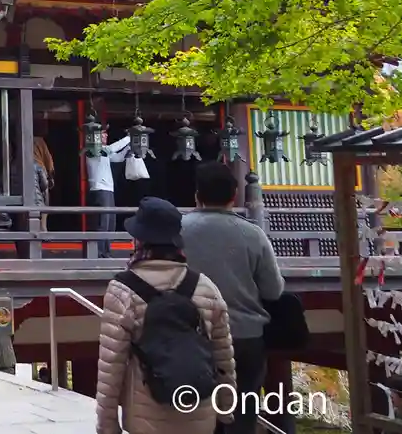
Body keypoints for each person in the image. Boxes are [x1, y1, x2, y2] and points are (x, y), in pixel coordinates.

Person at [96, 196, 236, 434]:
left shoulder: (122, 291)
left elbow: (111, 367)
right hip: (200, 415)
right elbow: (223, 357)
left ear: (138, 241)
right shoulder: (205, 287)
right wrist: (225, 409)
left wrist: (107, 426)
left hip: (146, 420)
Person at [181, 162, 285, 434]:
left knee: (196, 416)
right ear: (235, 195)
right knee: (243, 415)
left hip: (192, 336)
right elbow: (273, 290)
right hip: (245, 337)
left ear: (197, 195)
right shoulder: (253, 234)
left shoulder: (177, 232)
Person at [87, 129, 134, 256]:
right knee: (102, 223)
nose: (106, 135)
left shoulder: (104, 151)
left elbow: (118, 158)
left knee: (110, 223)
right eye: (103, 133)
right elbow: (111, 149)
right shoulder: (91, 150)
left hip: (108, 189)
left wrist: (129, 147)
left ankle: (106, 252)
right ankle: (98, 253)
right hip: (100, 189)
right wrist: (128, 138)